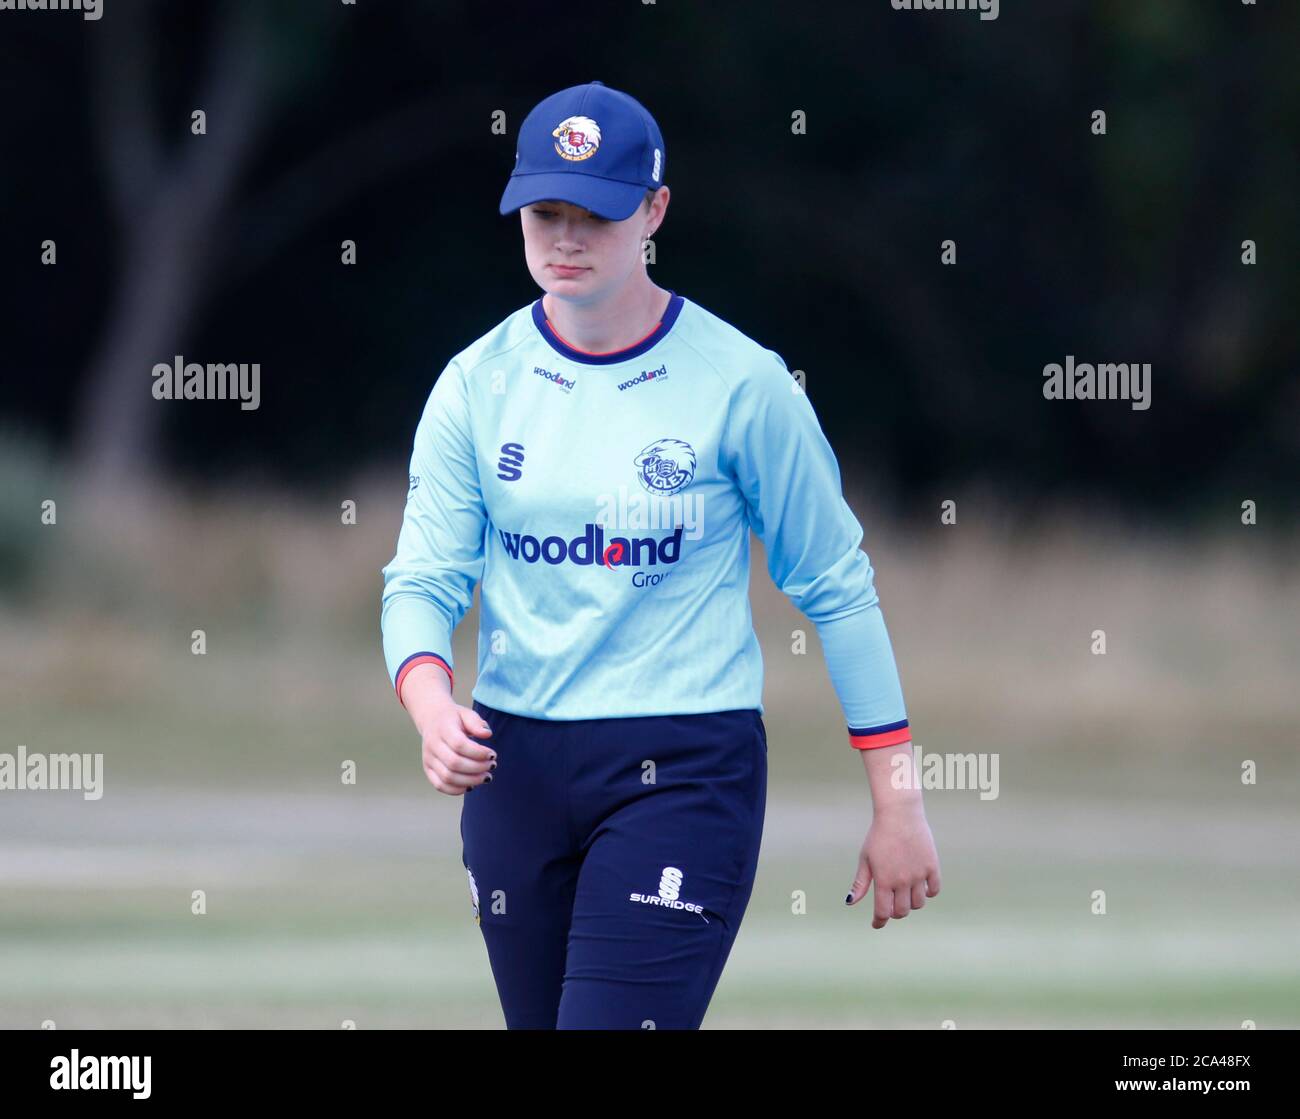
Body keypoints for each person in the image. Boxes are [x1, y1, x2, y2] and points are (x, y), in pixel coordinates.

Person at [380, 80, 940, 1030]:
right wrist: (433, 708)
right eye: (544, 214)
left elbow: (839, 589)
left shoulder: (745, 384)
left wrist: (900, 802)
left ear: (654, 210)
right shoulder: (476, 383)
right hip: (513, 770)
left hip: (683, 767)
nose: (565, 239)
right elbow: (422, 581)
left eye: (595, 215)